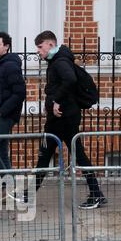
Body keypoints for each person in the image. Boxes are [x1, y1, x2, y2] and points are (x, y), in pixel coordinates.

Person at [29, 30, 106, 209]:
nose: (38, 51)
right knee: (63, 154)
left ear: (50, 44)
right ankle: (96, 194)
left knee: (49, 154)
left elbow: (69, 79)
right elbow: (63, 84)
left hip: (62, 119)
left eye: (40, 47)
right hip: (64, 117)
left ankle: (29, 194)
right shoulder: (58, 60)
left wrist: (55, 100)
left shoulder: (60, 61)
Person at [0, 31, 26, 198]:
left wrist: (3, 111)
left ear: (6, 46)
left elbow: (19, 92)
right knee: (1, 152)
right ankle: (11, 188)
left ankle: (9, 184)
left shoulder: (11, 66)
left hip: (4, 115)